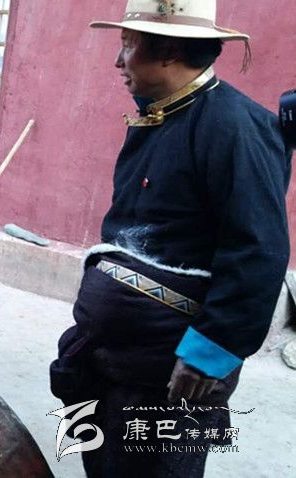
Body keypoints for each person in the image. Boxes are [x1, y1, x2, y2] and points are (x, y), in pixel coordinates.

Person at [50, 1, 291, 476]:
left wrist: (208, 355)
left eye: (128, 45)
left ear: (169, 52)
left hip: (175, 375)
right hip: (119, 359)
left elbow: (258, 253)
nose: (117, 61)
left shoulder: (234, 128)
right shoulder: (160, 116)